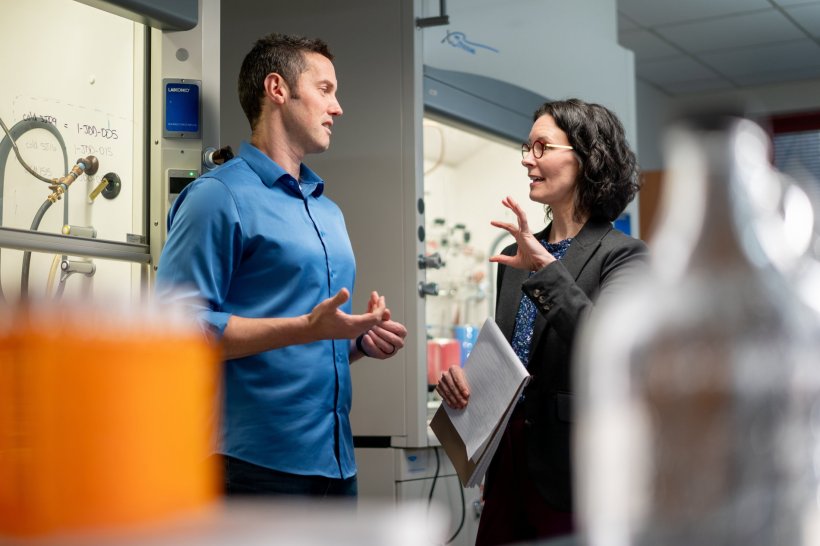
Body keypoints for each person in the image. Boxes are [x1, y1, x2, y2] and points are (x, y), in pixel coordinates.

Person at [155, 33, 407, 498]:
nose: (338, 108)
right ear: (277, 89)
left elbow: (308, 338)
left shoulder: (327, 210)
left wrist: (356, 341)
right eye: (325, 89)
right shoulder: (217, 197)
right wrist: (306, 327)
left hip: (334, 464)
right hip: (250, 465)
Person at [436, 98, 647, 544]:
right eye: (525, 147)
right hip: (505, 467)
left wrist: (546, 270)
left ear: (587, 157)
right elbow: (509, 359)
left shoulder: (625, 255)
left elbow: (604, 347)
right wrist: (464, 379)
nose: (526, 159)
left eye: (540, 147)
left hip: (575, 475)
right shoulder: (517, 258)